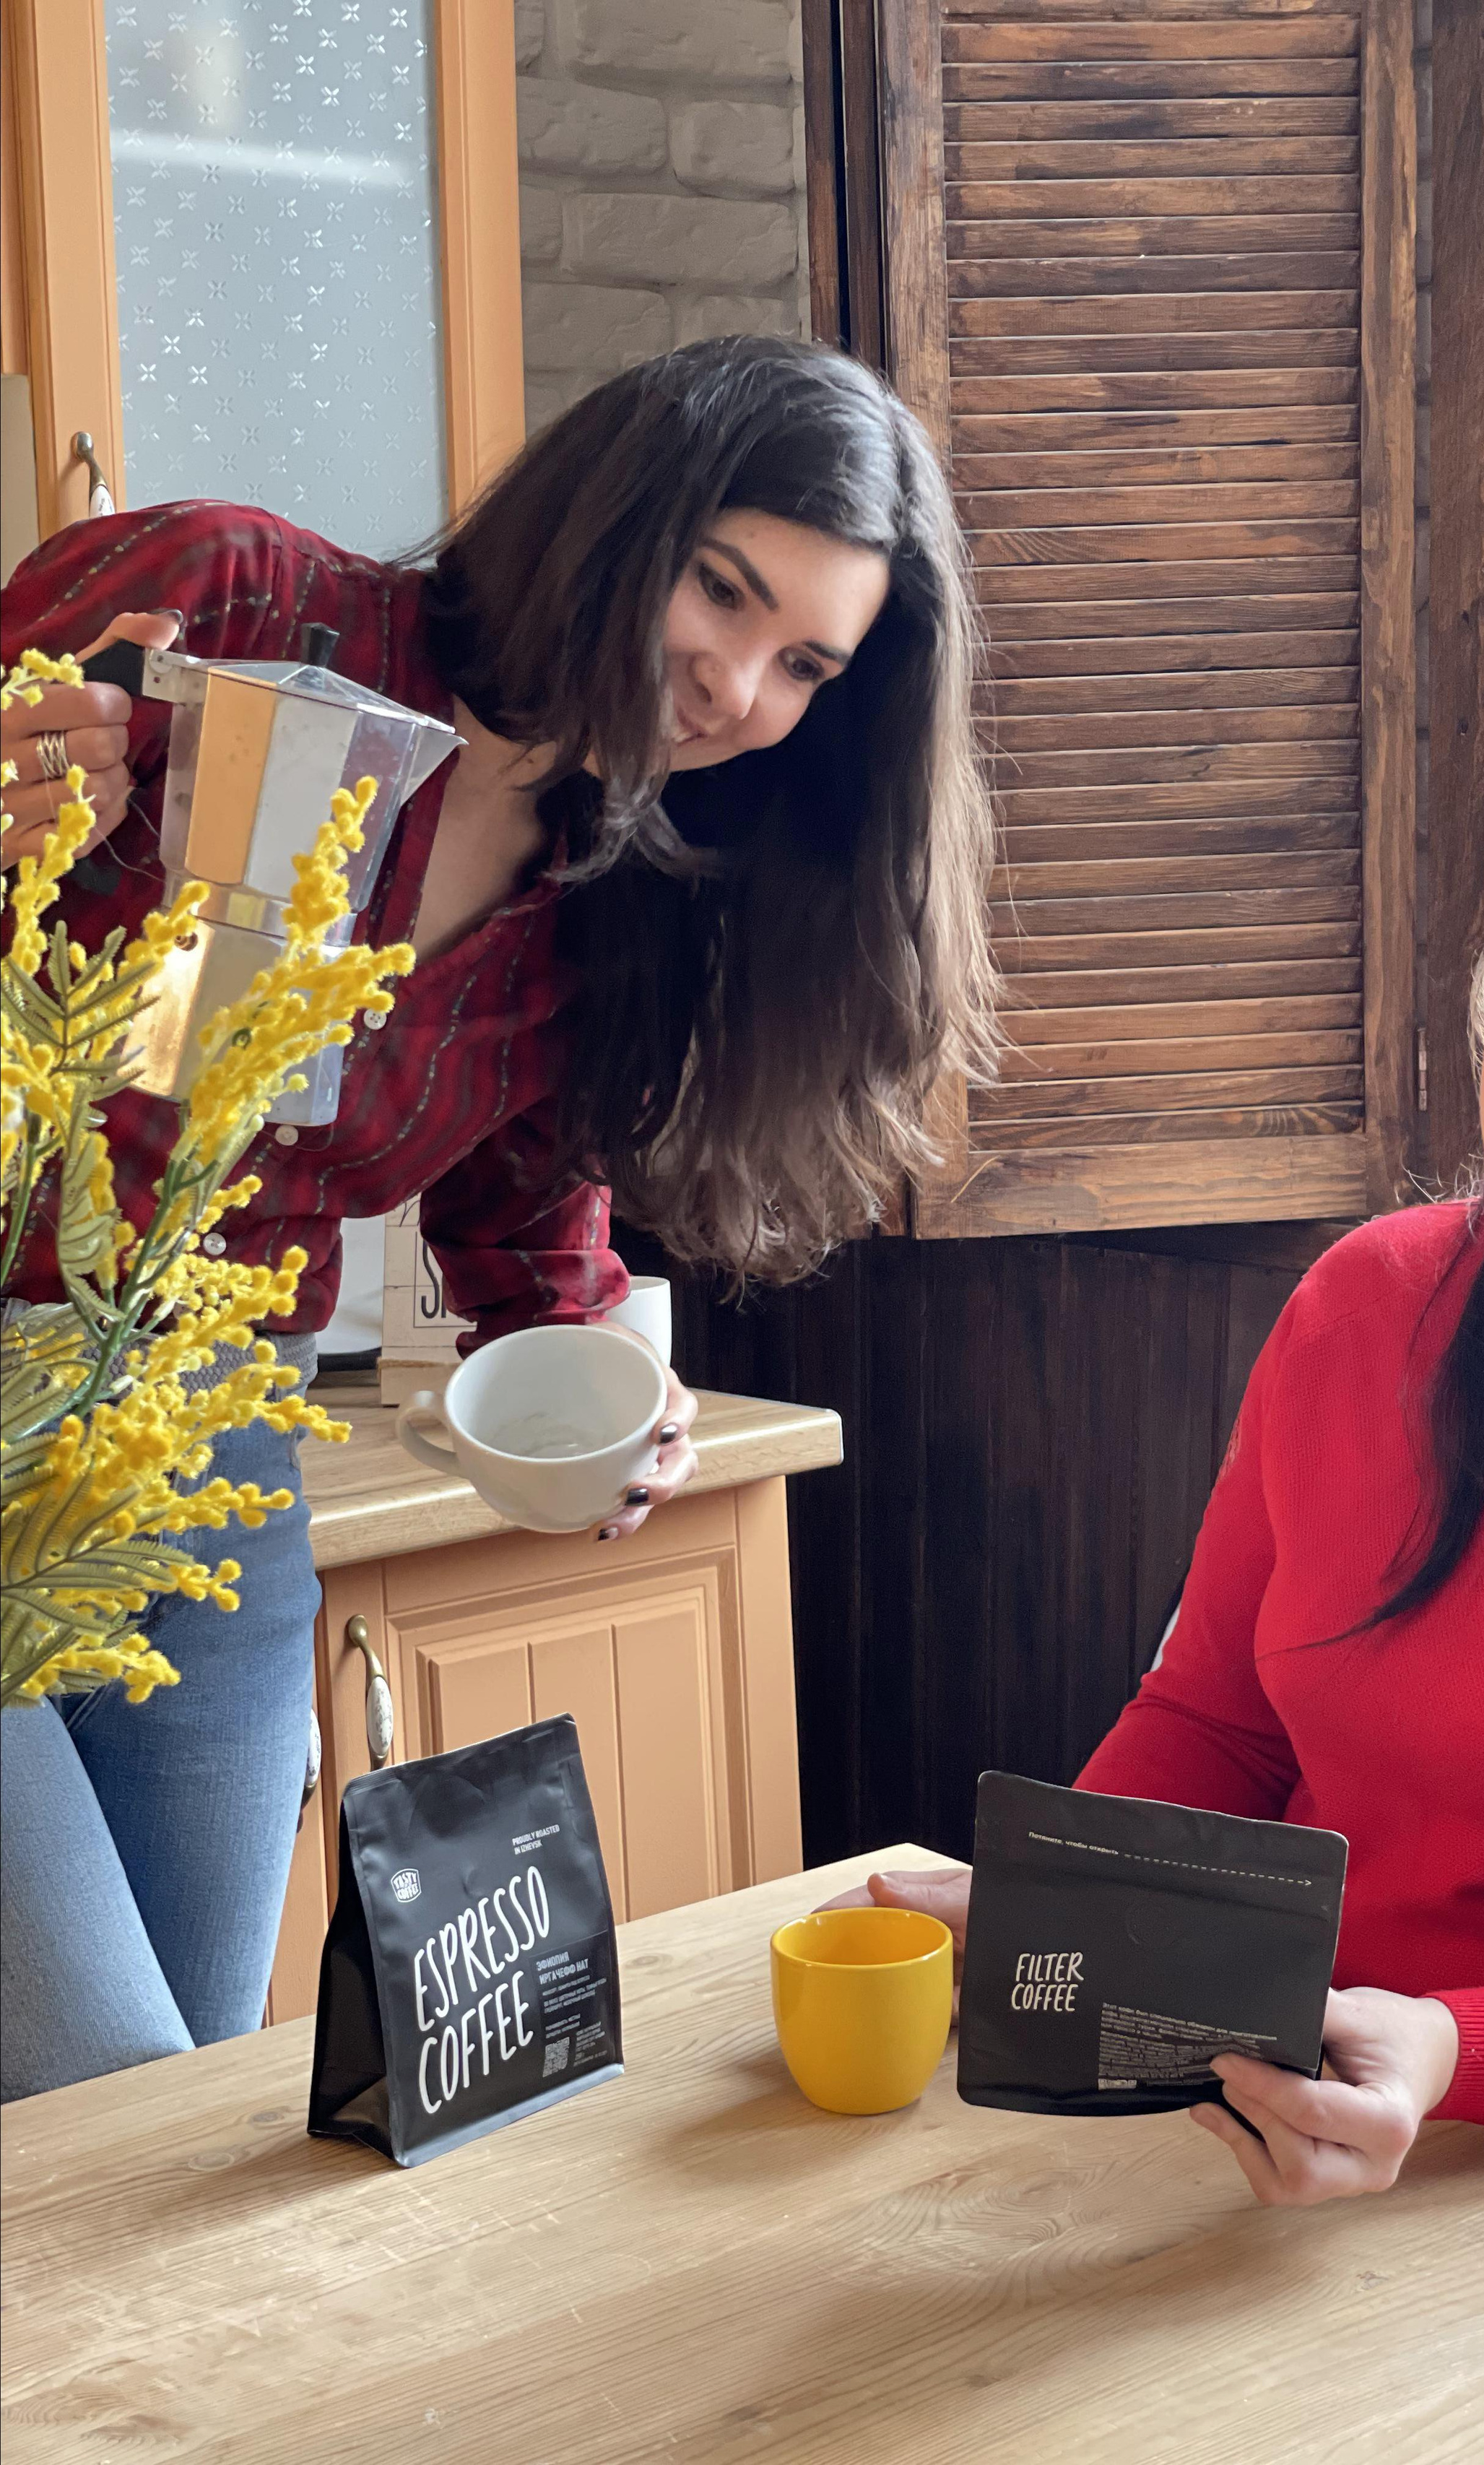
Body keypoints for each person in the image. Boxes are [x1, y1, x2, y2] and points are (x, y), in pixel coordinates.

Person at [0, 337, 997, 2099]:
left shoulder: (605, 899)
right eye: (720, 589)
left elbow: (525, 1228)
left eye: (804, 667)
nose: (733, 686)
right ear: (615, 515)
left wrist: (599, 1388)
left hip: (217, 1456)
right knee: (86, 2090)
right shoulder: (227, 599)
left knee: (174, 2111)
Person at [842, 732, 1484, 2197]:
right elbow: (1218, 1721)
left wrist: (1453, 2051)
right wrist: (1058, 1910)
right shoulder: (1366, 1303)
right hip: (1302, 2098)